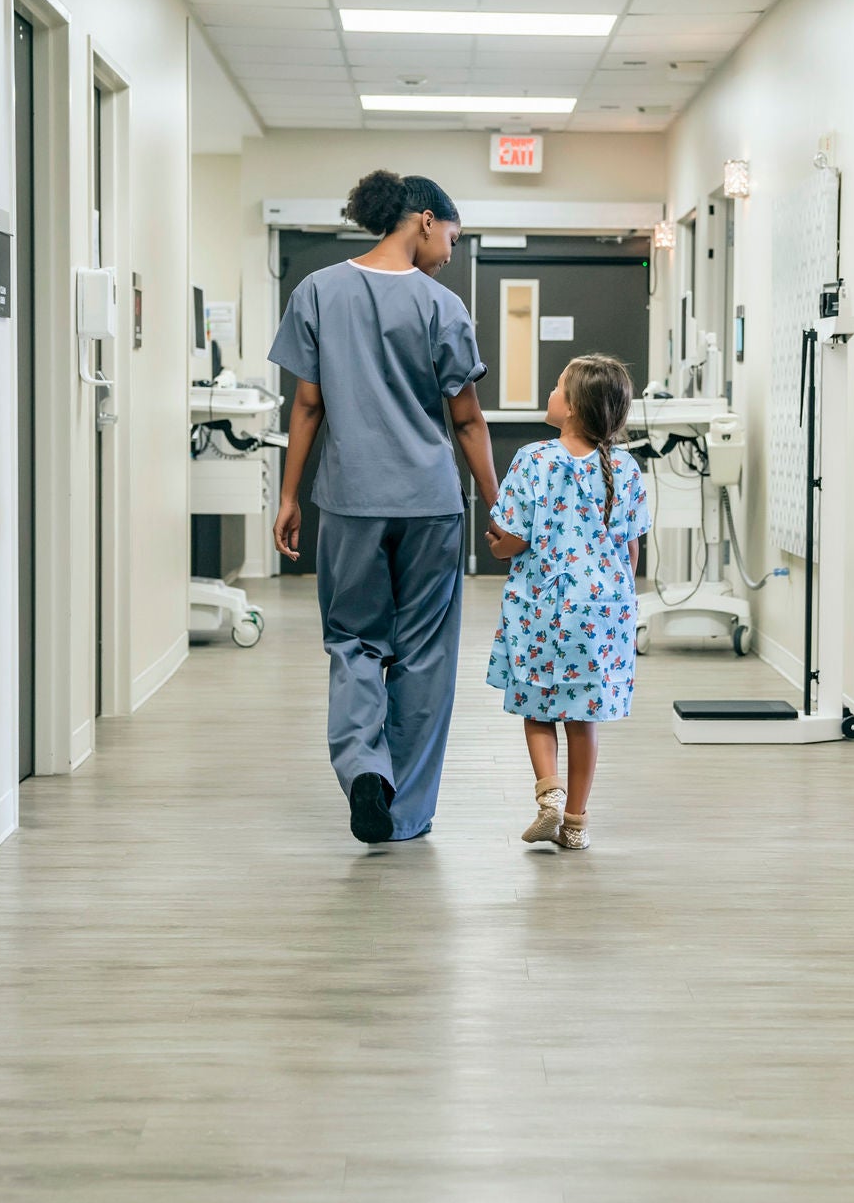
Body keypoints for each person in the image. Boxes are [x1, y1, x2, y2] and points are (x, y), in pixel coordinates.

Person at [270, 170, 500, 845]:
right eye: (451, 238)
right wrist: (499, 505)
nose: (451, 254)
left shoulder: (316, 291)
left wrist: (288, 496)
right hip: (430, 505)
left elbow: (307, 405)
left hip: (349, 502)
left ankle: (364, 765)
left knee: (353, 641)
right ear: (425, 220)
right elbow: (467, 421)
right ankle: (404, 814)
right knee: (425, 655)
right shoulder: (442, 307)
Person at [483, 356, 649, 850]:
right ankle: (575, 824)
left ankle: (548, 794)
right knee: (583, 715)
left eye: (557, 387)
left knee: (538, 707)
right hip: (600, 612)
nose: (550, 393)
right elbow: (631, 548)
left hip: (542, 606)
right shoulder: (625, 467)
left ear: (573, 407)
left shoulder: (534, 459)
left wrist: (495, 547)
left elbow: (511, 537)